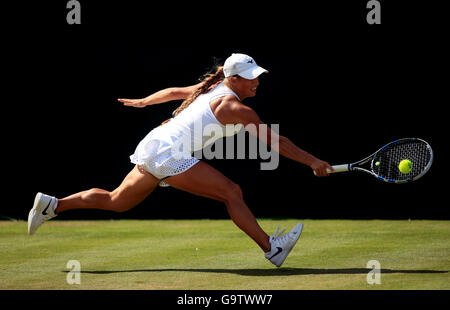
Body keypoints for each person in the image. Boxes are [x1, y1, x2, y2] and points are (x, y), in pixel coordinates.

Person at [28, 53, 332, 267]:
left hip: (154, 143)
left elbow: (174, 91)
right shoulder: (235, 107)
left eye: (257, 77)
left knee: (116, 201)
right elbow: (276, 141)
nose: (256, 82)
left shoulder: (213, 88)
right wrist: (313, 161)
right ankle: (272, 248)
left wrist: (145, 101)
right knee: (231, 192)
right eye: (250, 78)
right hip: (167, 152)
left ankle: (53, 204)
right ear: (233, 79)